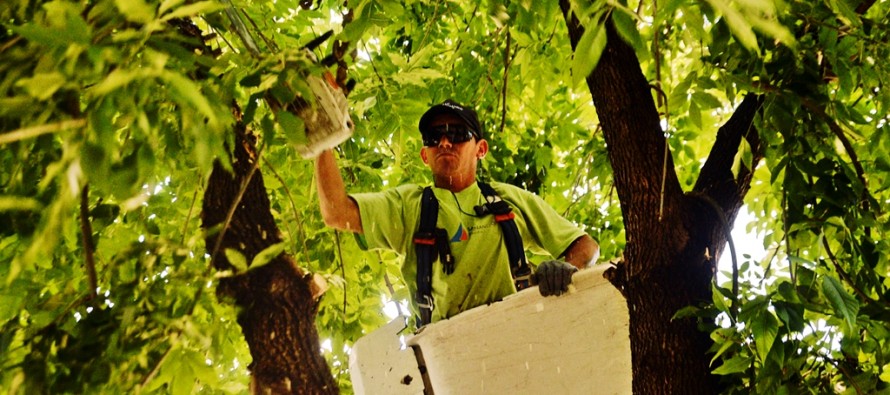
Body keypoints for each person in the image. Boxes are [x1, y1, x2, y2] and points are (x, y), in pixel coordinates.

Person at [315, 99, 599, 325]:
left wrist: (567, 267)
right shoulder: (408, 206)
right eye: (434, 136)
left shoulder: (507, 200)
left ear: (481, 149)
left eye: (458, 134)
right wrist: (323, 140)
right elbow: (336, 212)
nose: (445, 142)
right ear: (425, 154)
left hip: (518, 336)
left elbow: (585, 245)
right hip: (449, 353)